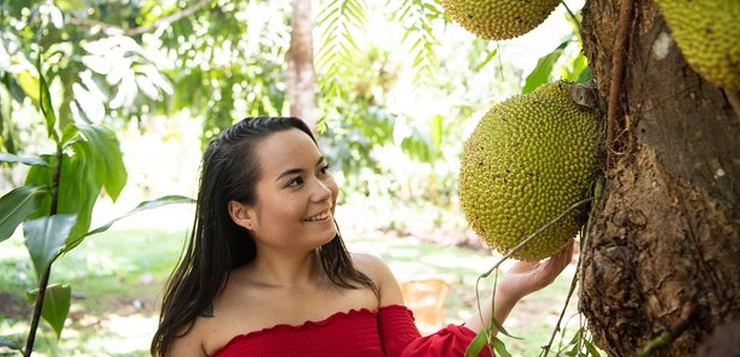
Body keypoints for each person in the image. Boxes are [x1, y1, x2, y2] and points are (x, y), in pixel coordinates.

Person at [151, 116, 574, 357]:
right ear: (242, 212)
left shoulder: (367, 277)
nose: (323, 191)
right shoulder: (201, 316)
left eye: (322, 169)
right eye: (295, 182)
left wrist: (505, 293)